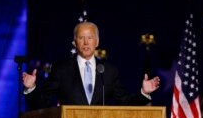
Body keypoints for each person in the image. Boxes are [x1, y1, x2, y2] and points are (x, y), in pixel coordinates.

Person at [22, 21, 160, 110]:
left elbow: (124, 102)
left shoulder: (109, 71)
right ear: (75, 43)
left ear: (97, 42)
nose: (86, 43)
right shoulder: (61, 70)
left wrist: (144, 93)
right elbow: (43, 102)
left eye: (90, 38)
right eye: (81, 38)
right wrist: (31, 88)